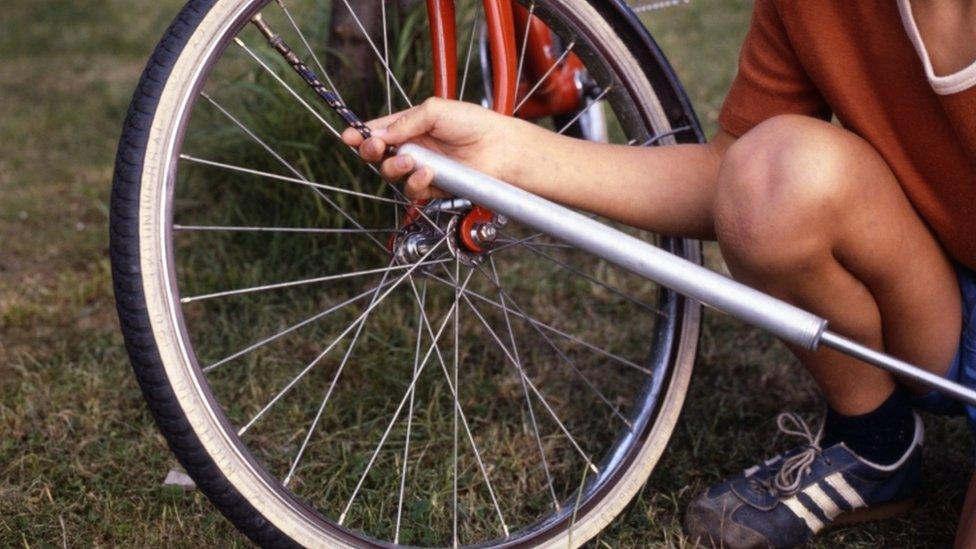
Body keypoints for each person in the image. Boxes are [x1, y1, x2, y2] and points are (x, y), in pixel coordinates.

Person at [343, 1, 976, 546]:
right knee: (773, 172)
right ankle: (876, 444)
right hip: (941, 305)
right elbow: (730, 178)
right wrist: (509, 150)